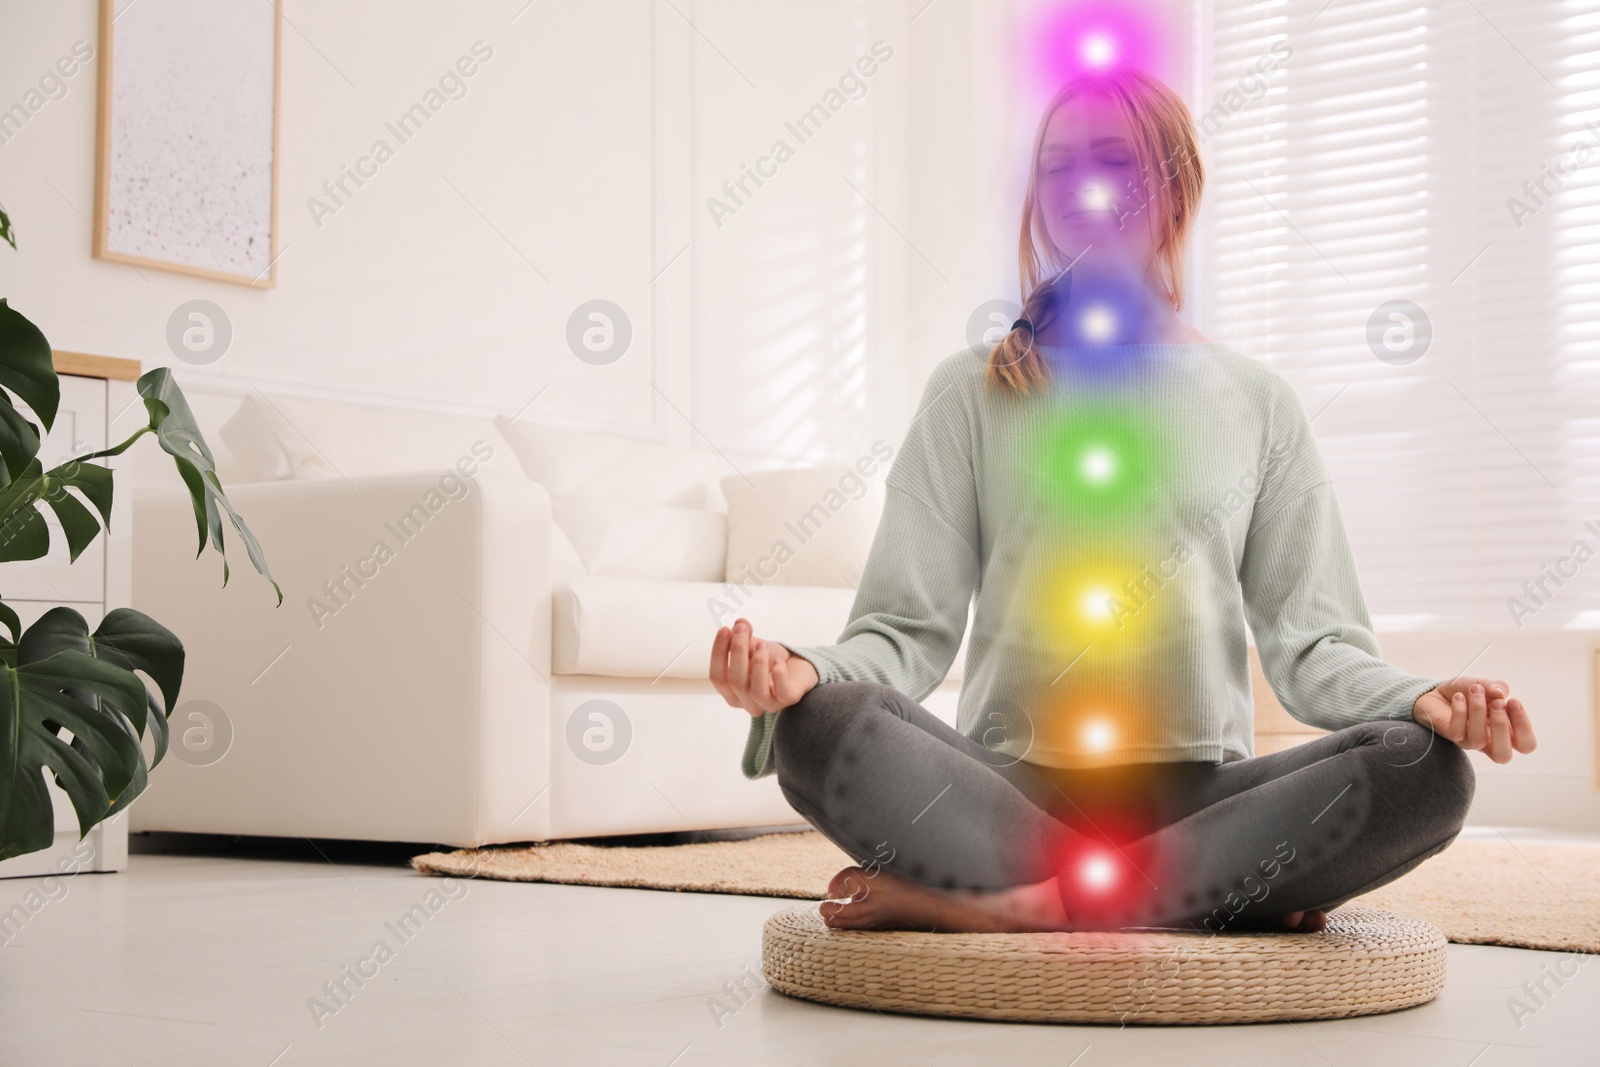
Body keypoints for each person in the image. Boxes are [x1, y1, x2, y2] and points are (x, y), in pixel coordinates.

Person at [708, 67, 1536, 935]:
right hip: (1004, 795)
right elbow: (904, 632)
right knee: (818, 727)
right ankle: (1179, 897)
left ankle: (1029, 905)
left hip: (1198, 801)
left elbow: (1316, 645)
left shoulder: (1258, 400)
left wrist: (1421, 698)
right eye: (1059, 164)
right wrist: (806, 671)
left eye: (1114, 158)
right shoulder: (968, 393)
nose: (1086, 184)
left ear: (1175, 185)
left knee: (1421, 769)